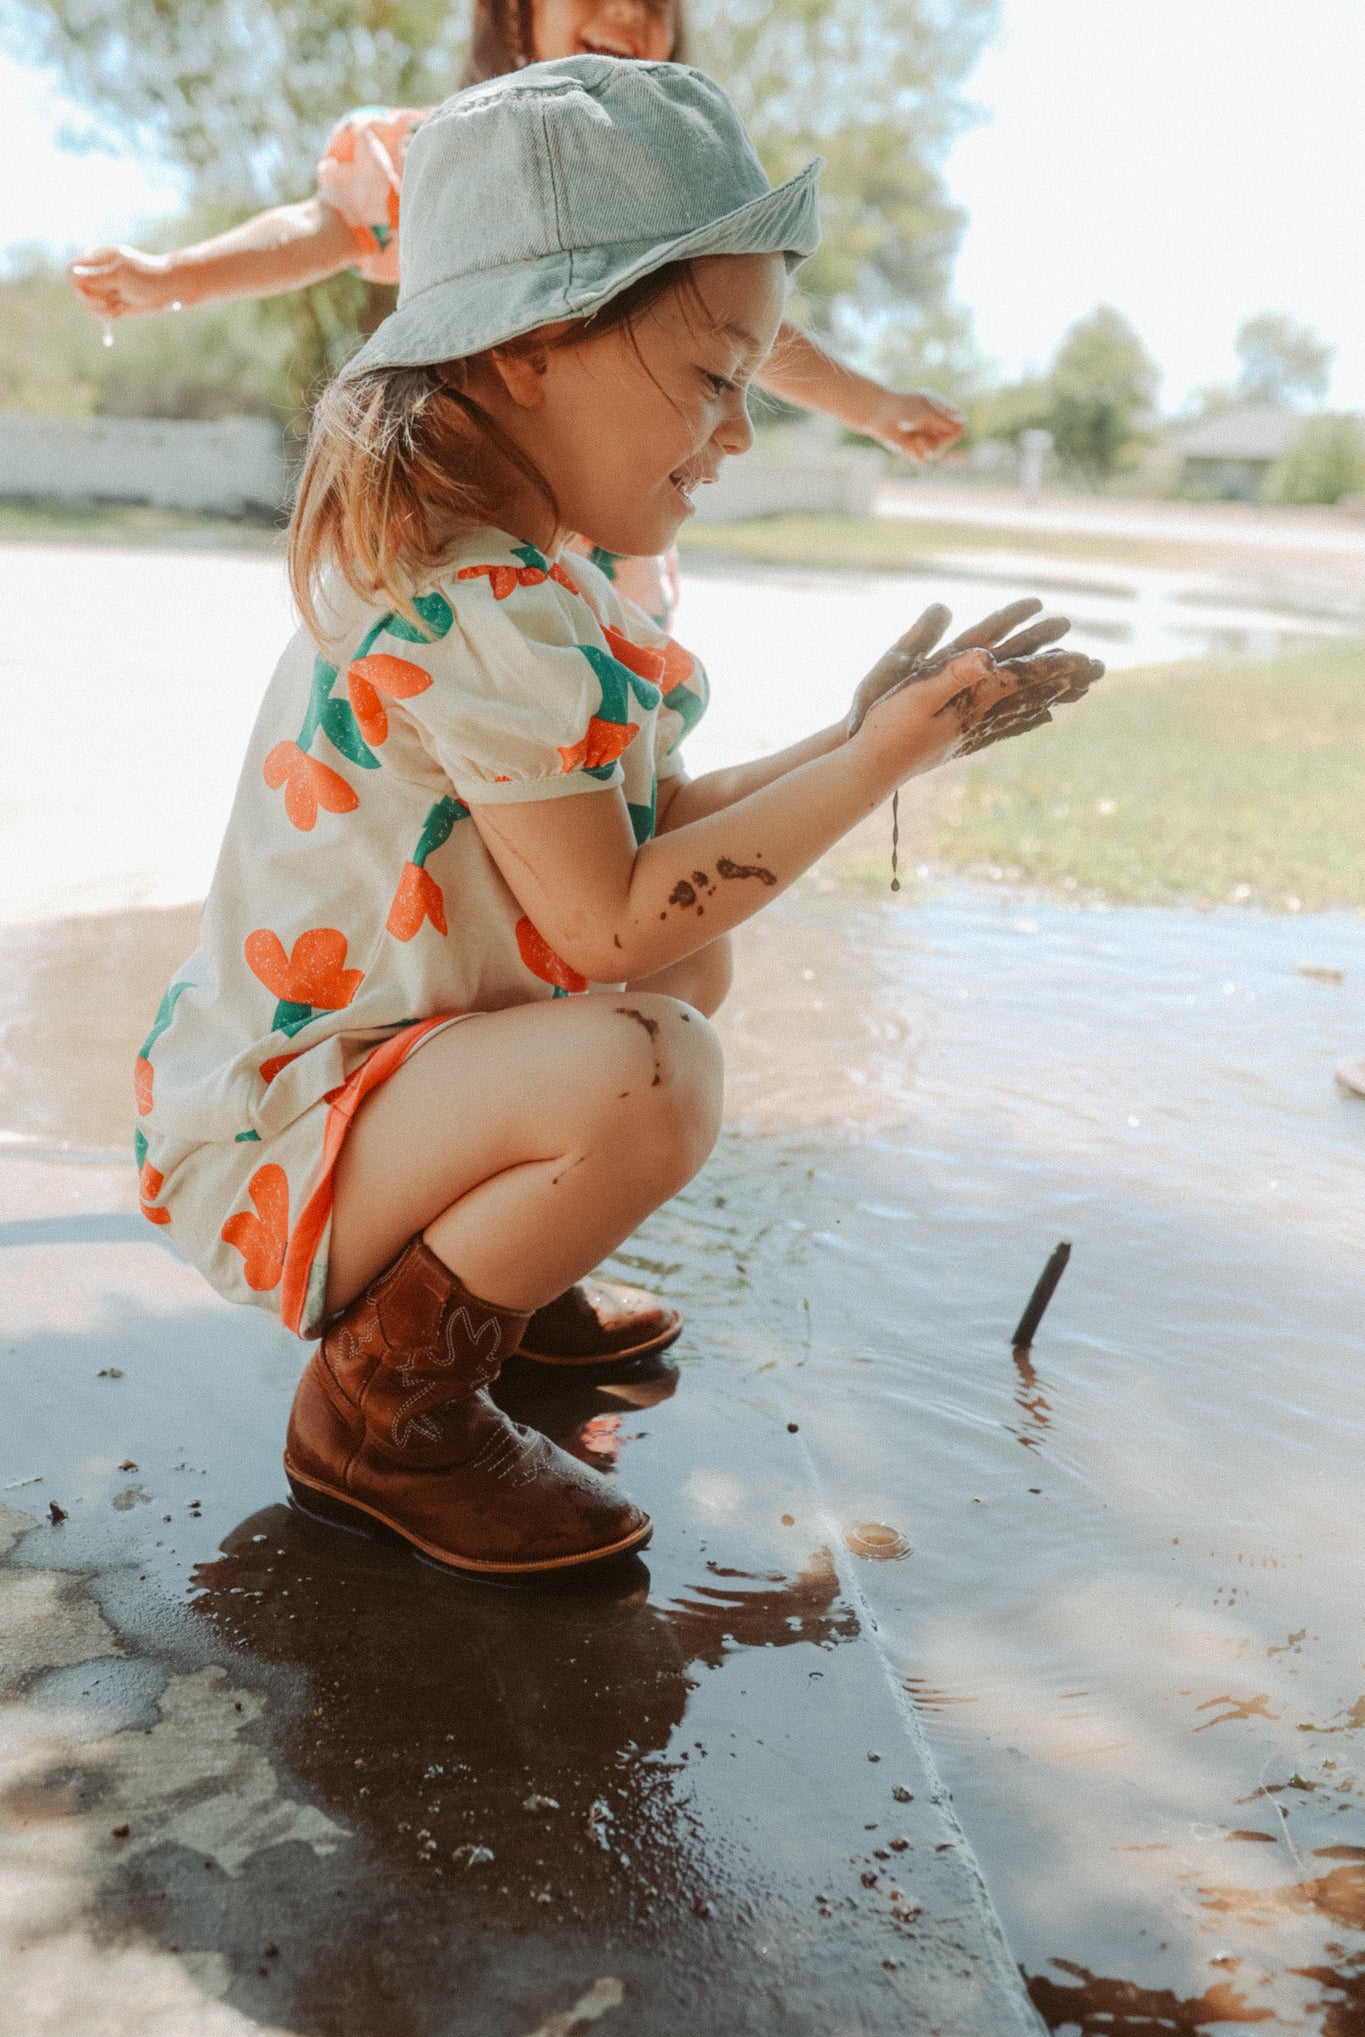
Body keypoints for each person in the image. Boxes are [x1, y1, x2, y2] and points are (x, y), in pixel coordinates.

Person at [132, 57, 1102, 1575]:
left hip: (372, 1086)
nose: (738, 432)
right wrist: (869, 772)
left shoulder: (525, 578)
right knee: (652, 1063)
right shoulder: (473, 601)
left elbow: (645, 845)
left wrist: (866, 738)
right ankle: (384, 1406)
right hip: (301, 1135)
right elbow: (600, 924)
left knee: (683, 979)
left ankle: (484, 1283)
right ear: (531, 346)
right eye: (716, 377)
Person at [67, 0, 963, 620]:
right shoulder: (446, 158)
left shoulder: (668, 194)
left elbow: (742, 338)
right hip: (483, 508)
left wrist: (874, 407)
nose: (631, 13)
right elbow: (328, 225)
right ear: (512, 12)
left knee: (616, 725)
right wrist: (173, 273)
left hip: (616, 542)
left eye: (654, 1)